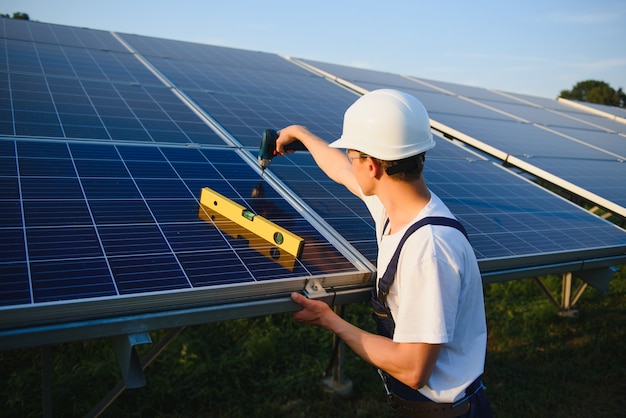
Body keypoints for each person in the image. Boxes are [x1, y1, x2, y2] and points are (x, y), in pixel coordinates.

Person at [276, 89, 493, 417]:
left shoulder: (428, 250)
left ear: (373, 166)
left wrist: (331, 320)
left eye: (353, 155)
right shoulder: (397, 207)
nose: (350, 162)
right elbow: (343, 173)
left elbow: (413, 368)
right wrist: (301, 134)